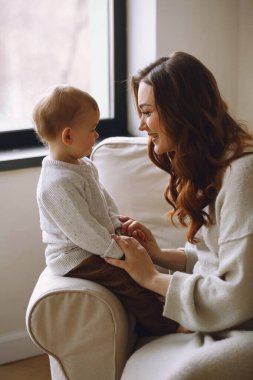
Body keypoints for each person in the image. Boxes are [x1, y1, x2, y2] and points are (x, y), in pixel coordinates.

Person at [105, 52, 253, 377]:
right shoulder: (214, 168)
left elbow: (239, 294)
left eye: (147, 112)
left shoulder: (243, 175)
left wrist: (152, 277)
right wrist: (157, 254)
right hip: (225, 320)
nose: (142, 125)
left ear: (180, 111)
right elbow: (215, 257)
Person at [33, 84, 181, 337]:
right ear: (68, 136)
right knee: (127, 281)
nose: (96, 135)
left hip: (98, 244)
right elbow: (83, 233)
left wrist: (117, 224)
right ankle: (165, 326)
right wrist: (117, 252)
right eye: (91, 130)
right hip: (77, 256)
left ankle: (172, 305)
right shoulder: (55, 184)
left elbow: (103, 200)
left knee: (142, 265)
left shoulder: (83, 165)